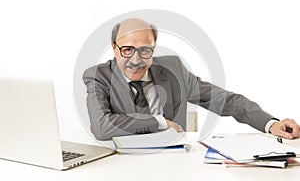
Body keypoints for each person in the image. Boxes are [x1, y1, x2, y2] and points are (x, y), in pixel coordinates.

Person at [83, 18, 300, 140]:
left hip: (178, 166)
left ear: (154, 48)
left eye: (145, 50)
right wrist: (160, 122)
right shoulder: (98, 76)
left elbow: (226, 101)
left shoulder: (172, 69)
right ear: (114, 48)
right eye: (127, 50)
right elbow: (102, 127)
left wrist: (270, 124)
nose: (136, 60)